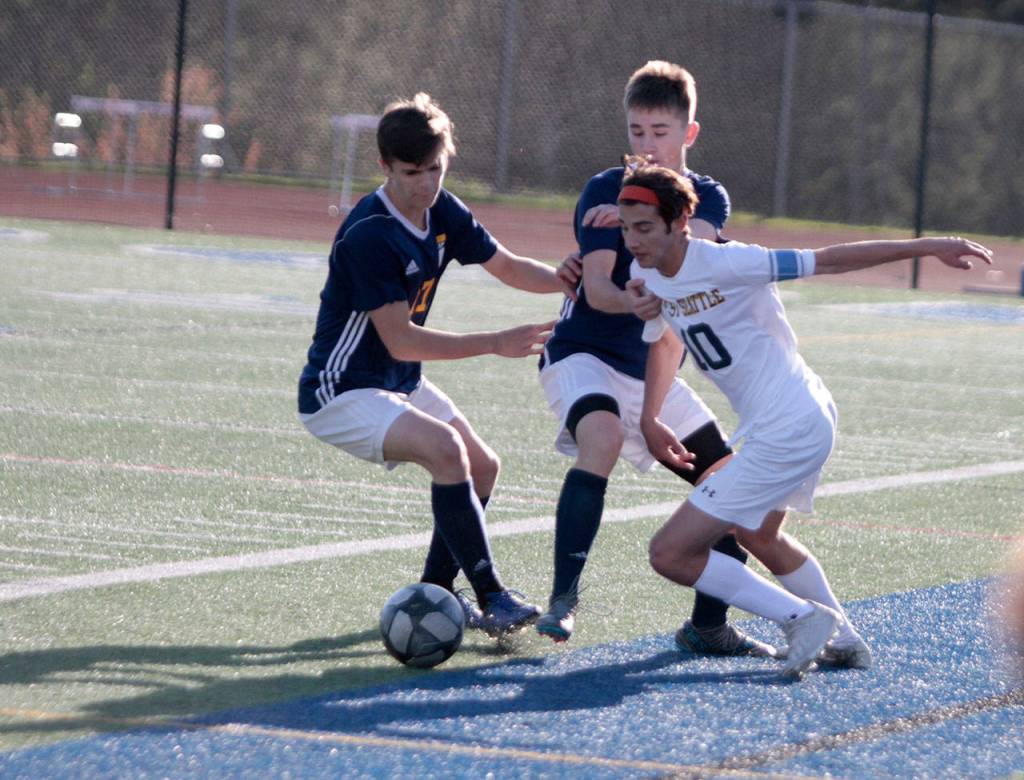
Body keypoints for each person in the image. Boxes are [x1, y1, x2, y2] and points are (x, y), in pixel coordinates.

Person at [619, 161, 992, 676]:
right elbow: (665, 338)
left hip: (789, 425)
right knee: (760, 535)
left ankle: (801, 618)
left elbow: (830, 260)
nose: (633, 240)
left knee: (670, 553)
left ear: (680, 221)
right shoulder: (644, 271)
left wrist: (927, 245)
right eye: (626, 228)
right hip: (797, 418)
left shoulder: (732, 263)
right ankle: (844, 637)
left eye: (644, 228)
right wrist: (651, 416)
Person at [297, 93, 575, 637]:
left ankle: (434, 596)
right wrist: (496, 340)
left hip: (396, 383)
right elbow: (400, 341)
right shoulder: (369, 233)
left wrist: (576, 282)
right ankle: (492, 595)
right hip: (341, 391)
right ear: (385, 166)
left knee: (483, 466)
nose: (426, 183)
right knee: (447, 453)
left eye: (436, 169)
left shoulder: (442, 208)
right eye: (411, 172)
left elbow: (509, 266)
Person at [536, 60, 772, 656]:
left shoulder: (704, 197)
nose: (647, 145)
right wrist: (639, 300)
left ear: (689, 134)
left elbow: (702, 253)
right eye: (637, 131)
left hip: (651, 370)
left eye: (661, 132)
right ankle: (563, 600)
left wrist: (643, 229)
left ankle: (708, 627)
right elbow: (596, 291)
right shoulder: (601, 188)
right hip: (583, 352)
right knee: (603, 438)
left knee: (732, 488)